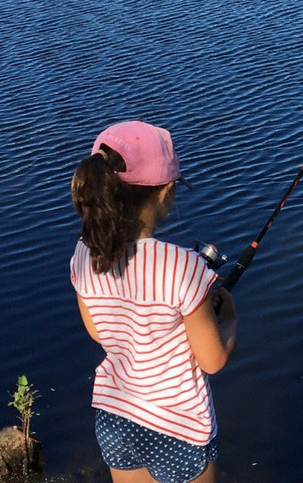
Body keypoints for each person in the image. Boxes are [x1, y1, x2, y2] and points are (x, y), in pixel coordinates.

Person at [70, 120, 238, 483]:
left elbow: (98, 331)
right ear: (165, 193)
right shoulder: (183, 265)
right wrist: (228, 317)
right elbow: (212, 360)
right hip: (178, 426)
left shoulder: (85, 253)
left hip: (116, 415)